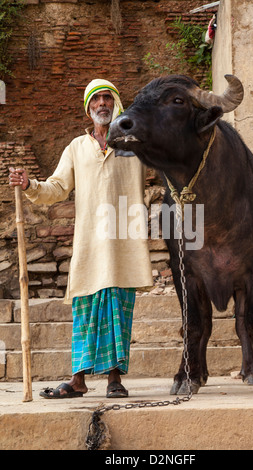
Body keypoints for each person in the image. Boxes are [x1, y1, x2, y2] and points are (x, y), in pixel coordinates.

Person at [9, 79, 153, 399]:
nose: (102, 103)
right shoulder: (76, 147)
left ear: (116, 104)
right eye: (96, 100)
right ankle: (78, 380)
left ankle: (115, 379)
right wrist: (30, 183)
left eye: (107, 98)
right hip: (89, 245)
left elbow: (166, 161)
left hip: (121, 244)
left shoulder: (134, 145)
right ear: (89, 109)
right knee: (85, 312)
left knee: (117, 311)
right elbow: (57, 188)